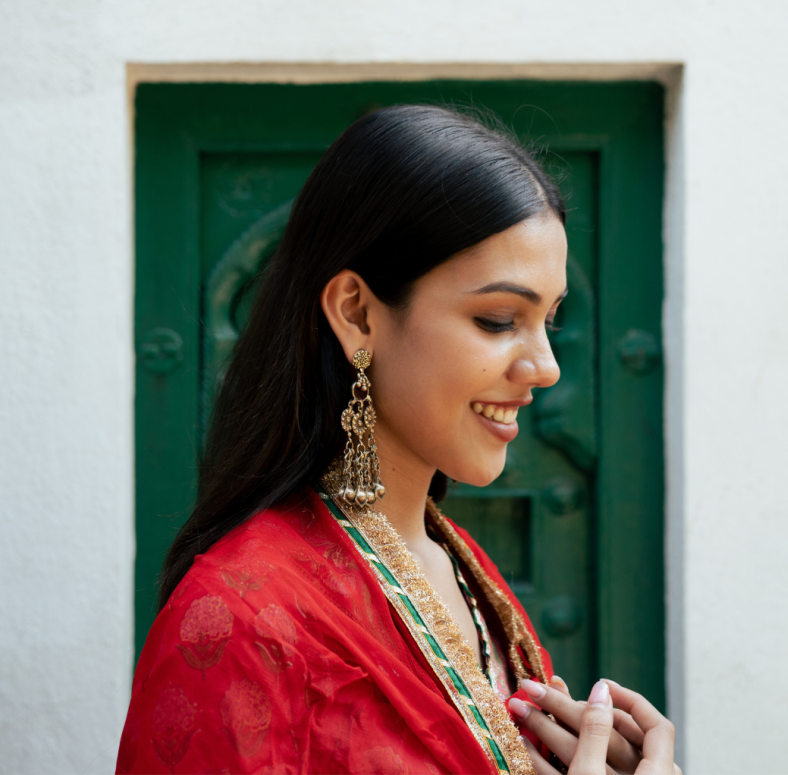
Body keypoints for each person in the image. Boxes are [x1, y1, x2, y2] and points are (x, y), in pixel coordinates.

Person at [117, 105, 678, 775]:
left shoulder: (462, 571)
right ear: (357, 313)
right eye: (499, 319)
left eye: (549, 321)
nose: (546, 366)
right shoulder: (240, 618)